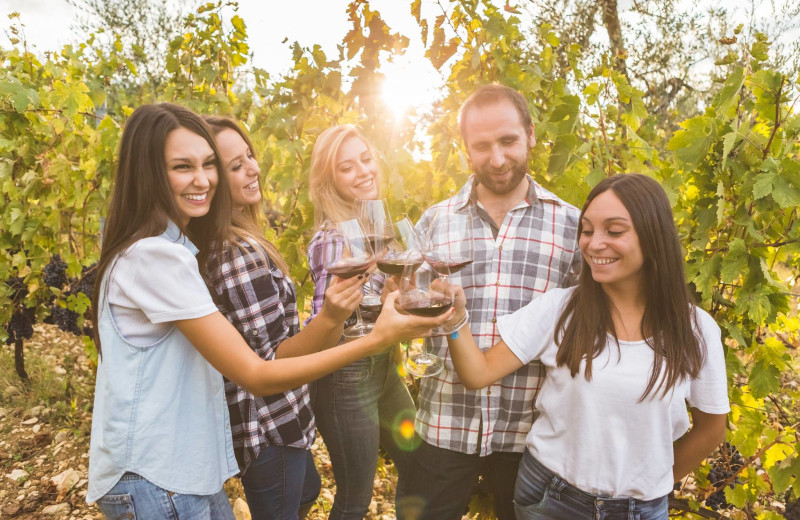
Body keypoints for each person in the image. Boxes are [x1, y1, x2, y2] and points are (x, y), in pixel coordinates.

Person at [87, 103, 451, 520]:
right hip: (157, 477)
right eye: (183, 166)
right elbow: (257, 372)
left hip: (179, 472)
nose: (203, 179)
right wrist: (377, 336)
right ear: (148, 172)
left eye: (209, 165)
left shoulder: (173, 252)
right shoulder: (156, 257)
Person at [444, 173, 730, 519]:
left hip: (641, 510)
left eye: (614, 230)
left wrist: (651, 487)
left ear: (653, 236)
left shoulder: (695, 330)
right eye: (587, 230)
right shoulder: (561, 310)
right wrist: (455, 320)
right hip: (549, 499)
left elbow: (711, 427)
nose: (594, 244)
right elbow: (478, 372)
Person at [397, 84, 583, 520]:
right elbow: (408, 311)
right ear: (466, 150)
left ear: (531, 135)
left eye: (508, 141)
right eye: (482, 146)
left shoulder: (573, 225)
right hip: (444, 425)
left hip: (533, 439)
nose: (497, 159)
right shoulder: (434, 222)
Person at [204, 117, 363, 519]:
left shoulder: (240, 240)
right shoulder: (236, 256)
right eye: (235, 166)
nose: (253, 169)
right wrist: (332, 316)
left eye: (250, 157)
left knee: (307, 488)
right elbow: (274, 361)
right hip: (270, 427)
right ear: (213, 180)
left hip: (277, 422)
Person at [306, 124, 418, 519]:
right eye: (346, 167)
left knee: (417, 463)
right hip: (346, 377)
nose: (363, 172)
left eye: (365, 160)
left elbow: (372, 310)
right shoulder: (335, 238)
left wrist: (392, 299)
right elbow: (329, 330)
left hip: (382, 368)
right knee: (355, 497)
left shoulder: (375, 226)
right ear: (329, 180)